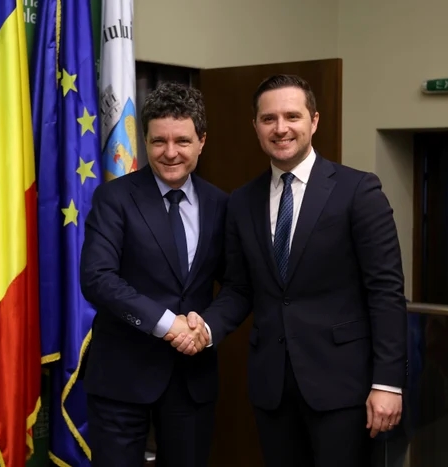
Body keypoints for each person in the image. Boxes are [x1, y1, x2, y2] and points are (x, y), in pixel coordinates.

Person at [174, 74, 408, 466]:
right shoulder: (242, 201)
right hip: (273, 389)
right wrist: (207, 327)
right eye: (269, 119)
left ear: (313, 121)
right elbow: (239, 288)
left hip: (345, 389)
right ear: (255, 126)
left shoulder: (358, 191)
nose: (280, 128)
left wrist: (388, 383)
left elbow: (386, 292)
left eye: (292, 116)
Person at [79, 81, 229, 467]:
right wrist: (167, 324)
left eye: (182, 140)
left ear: (202, 142)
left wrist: (206, 327)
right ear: (144, 141)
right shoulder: (114, 198)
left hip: (192, 378)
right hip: (121, 377)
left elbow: (238, 286)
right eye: (159, 141)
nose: (170, 152)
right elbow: (97, 277)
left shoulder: (221, 204)